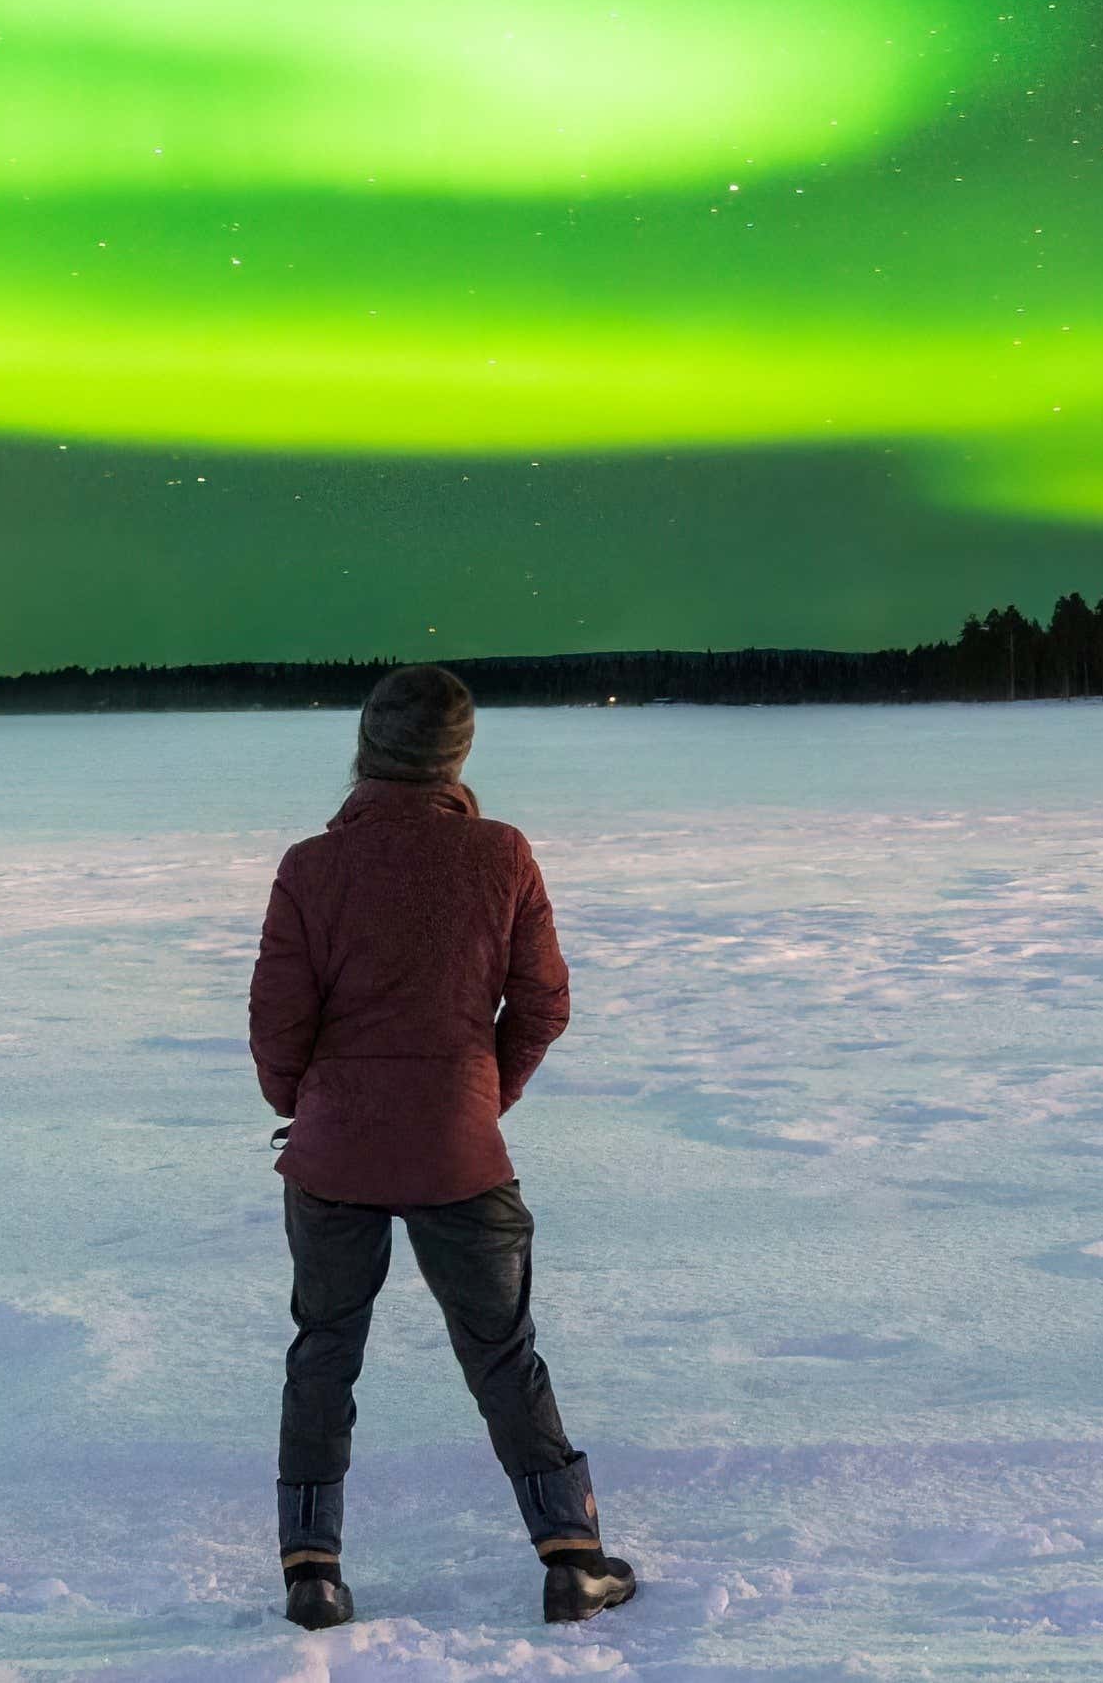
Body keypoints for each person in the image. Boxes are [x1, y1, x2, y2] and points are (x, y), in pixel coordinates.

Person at [247, 665, 637, 1630]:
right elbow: (544, 1001)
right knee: (504, 1352)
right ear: (458, 756)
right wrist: (477, 1095)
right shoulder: (500, 854)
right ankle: (573, 1557)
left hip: (335, 1149)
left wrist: (312, 1102)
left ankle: (313, 1574)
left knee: (323, 1351)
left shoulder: (311, 866)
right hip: (459, 1149)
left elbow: (276, 1023)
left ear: (367, 748)